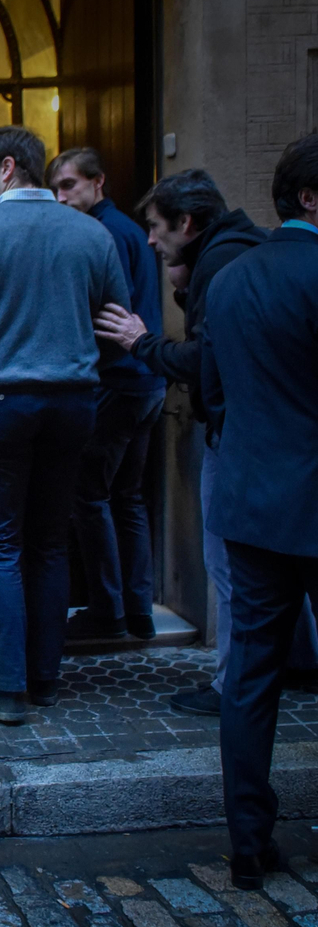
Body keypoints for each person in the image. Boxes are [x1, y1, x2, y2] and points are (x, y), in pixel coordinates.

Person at [0, 127, 130, 725]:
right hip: (74, 403)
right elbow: (118, 323)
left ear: (8, 168)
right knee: (49, 541)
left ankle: (7, 686)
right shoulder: (92, 235)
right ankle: (44, 678)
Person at [94, 170, 318, 715]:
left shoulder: (227, 266)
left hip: (240, 442)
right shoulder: (235, 254)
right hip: (279, 443)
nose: (149, 239)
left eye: (155, 226)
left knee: (234, 571)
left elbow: (204, 360)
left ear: (186, 222)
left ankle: (232, 686)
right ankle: (301, 665)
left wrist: (141, 343)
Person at [198, 132, 318, 889]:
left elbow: (214, 391)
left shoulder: (232, 280)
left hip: (250, 504)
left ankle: (248, 841)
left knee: (250, 677)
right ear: (309, 196)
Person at [49, 147, 167, 641]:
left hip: (118, 381)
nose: (61, 197)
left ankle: (108, 609)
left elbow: (107, 311)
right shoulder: (125, 230)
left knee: (89, 496)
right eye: (57, 187)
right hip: (147, 382)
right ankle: (137, 610)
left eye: (70, 185)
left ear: (99, 183)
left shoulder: (103, 233)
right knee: (128, 498)